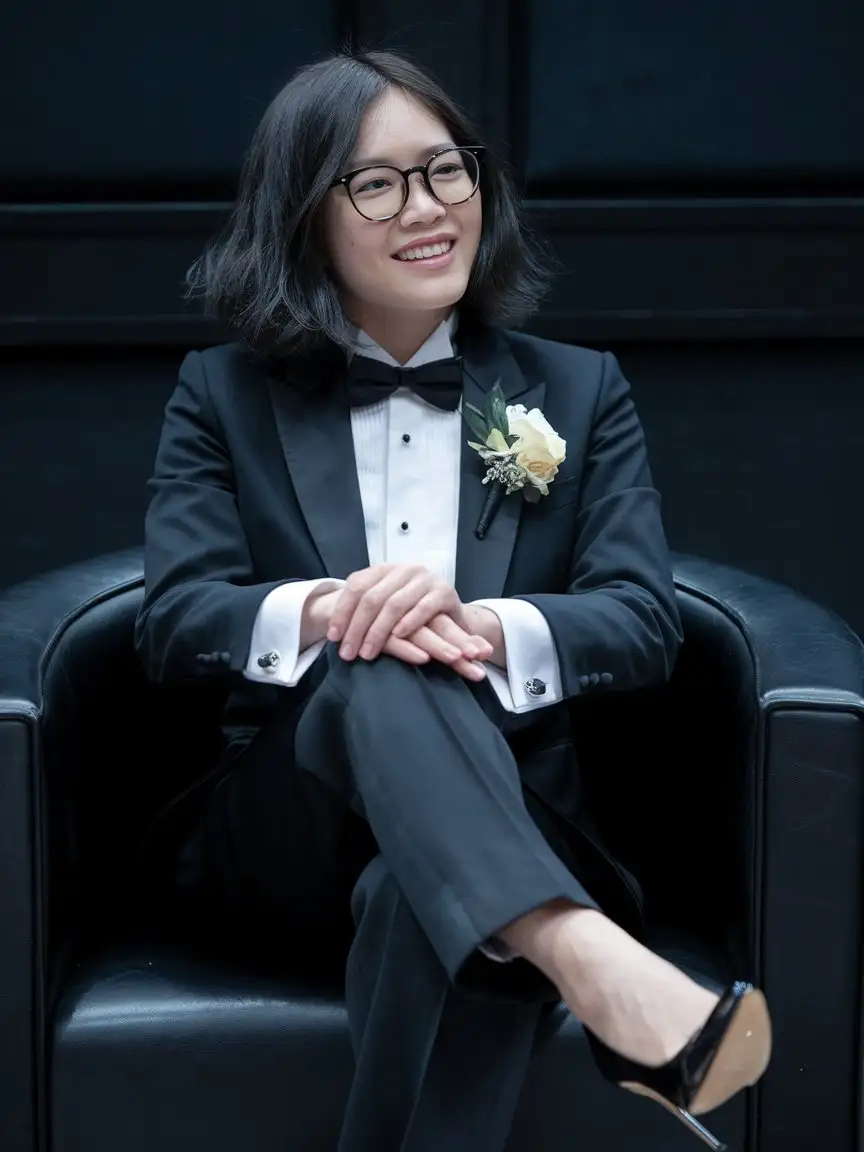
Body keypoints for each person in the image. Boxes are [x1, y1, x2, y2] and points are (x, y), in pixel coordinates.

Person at [135, 49, 771, 1152]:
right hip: (284, 836)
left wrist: (481, 628)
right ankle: (588, 952)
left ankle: (537, 926)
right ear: (303, 215)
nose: (426, 208)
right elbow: (178, 619)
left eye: (446, 170)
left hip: (515, 814)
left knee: (415, 899)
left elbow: (641, 616)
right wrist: (339, 612)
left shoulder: (578, 389)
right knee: (376, 647)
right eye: (375, 183)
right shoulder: (220, 395)